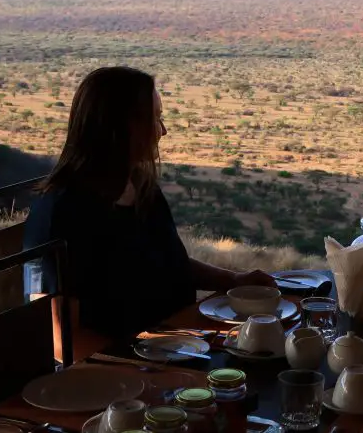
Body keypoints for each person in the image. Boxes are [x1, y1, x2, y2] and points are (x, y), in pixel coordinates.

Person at [24, 66, 275, 337]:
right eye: (155, 119)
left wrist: (235, 281)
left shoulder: (141, 188)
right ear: (120, 127)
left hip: (177, 343)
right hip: (121, 367)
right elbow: (60, 340)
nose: (163, 131)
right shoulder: (61, 214)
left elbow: (170, 262)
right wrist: (157, 347)